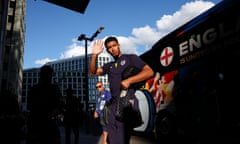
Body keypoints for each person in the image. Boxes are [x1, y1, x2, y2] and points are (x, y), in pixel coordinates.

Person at [89, 36, 154, 144]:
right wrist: (94, 55)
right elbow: (92, 72)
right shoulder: (108, 66)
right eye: (109, 48)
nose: (112, 49)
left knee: (121, 139)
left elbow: (149, 72)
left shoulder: (131, 58)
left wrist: (129, 80)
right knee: (111, 140)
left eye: (114, 46)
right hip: (112, 106)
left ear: (119, 45)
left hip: (126, 103)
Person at [27, 65, 62, 144]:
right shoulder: (54, 89)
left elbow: (29, 106)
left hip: (36, 123)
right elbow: (58, 105)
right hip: (47, 123)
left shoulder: (34, 89)